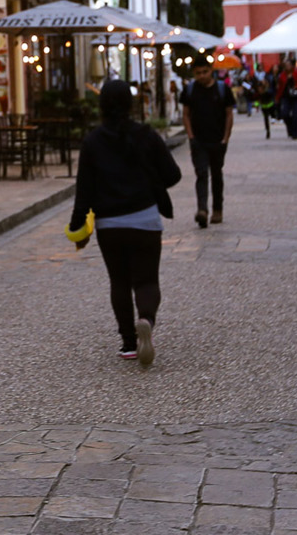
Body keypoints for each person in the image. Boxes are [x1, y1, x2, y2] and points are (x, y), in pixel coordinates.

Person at [68, 79, 183, 367]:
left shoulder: (92, 141)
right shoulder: (147, 135)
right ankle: (146, 319)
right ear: (131, 105)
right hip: (144, 219)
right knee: (146, 280)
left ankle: (129, 342)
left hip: (109, 224)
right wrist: (150, 181)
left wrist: (77, 228)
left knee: (119, 281)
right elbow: (173, 175)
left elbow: (84, 190)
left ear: (101, 105)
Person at [179, 59, 235, 228]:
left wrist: (225, 138)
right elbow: (186, 114)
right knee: (201, 174)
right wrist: (191, 137)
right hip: (199, 141)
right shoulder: (190, 90)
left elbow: (229, 115)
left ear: (211, 71)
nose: (201, 76)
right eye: (198, 73)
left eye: (205, 72)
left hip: (217, 140)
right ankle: (202, 210)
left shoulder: (222, 89)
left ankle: (217, 209)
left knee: (217, 174)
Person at [276, 61, 297, 140]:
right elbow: (280, 87)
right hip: (286, 97)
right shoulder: (282, 75)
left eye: (289, 65)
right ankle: (290, 128)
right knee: (285, 114)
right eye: (286, 65)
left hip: (296, 96)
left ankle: (296, 133)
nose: (287, 67)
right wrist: (277, 98)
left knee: (296, 115)